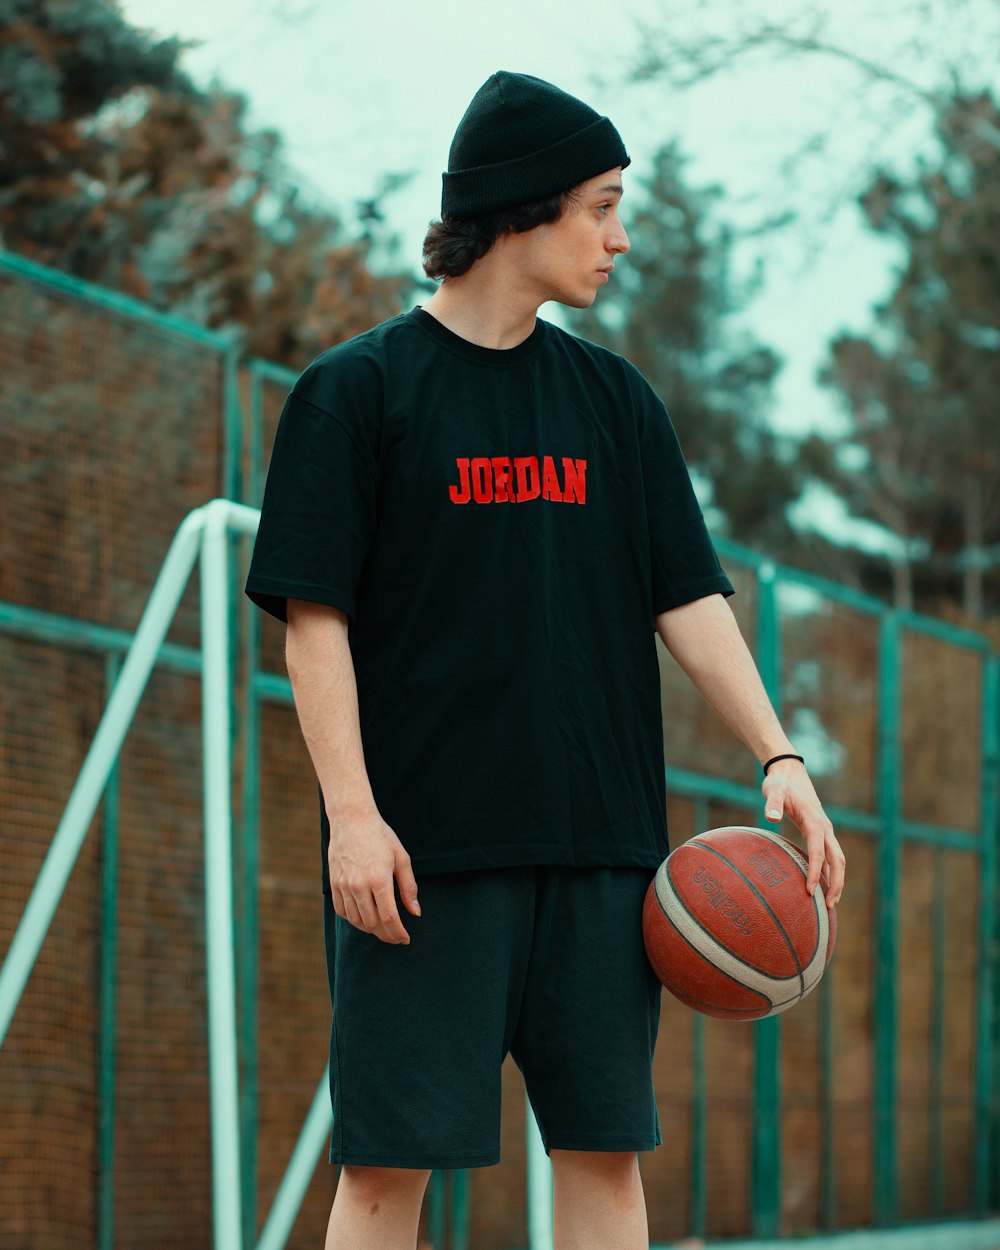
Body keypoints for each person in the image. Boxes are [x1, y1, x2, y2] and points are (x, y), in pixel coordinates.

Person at [246, 70, 846, 1250]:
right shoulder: (355, 395)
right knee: (384, 1173)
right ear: (525, 207)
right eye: (603, 207)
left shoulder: (615, 404)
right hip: (423, 859)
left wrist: (776, 749)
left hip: (602, 857)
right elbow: (314, 625)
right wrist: (352, 817)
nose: (620, 239)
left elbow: (688, 596)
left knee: (604, 1161)